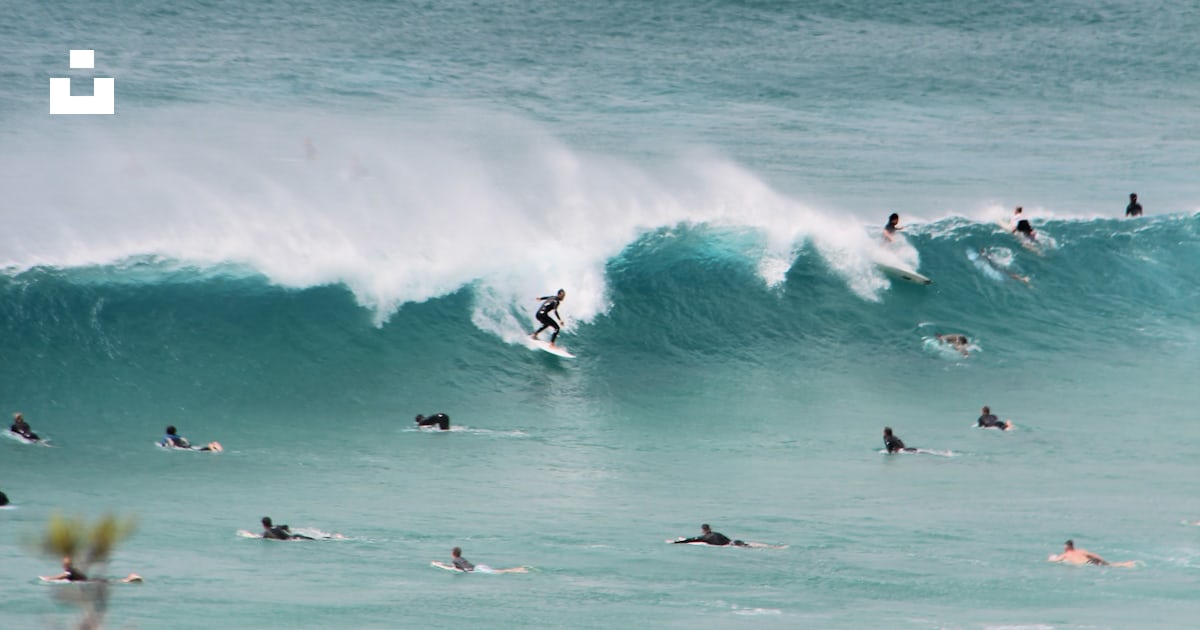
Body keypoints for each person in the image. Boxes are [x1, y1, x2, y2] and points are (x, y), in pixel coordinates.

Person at [40, 556, 142, 583]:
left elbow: (63, 575)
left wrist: (48, 578)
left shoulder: (70, 571)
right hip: (91, 581)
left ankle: (130, 578)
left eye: (63, 563)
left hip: (92, 582)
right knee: (115, 581)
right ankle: (129, 578)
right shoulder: (74, 570)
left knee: (117, 581)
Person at [1048, 540, 1136, 567]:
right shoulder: (1081, 550)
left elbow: (1055, 561)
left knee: (1110, 566)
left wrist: (1050, 558)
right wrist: (1104, 560)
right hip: (1092, 560)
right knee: (1110, 565)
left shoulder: (1066, 554)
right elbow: (1095, 555)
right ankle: (1127, 563)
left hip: (1087, 564)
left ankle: (1126, 564)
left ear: (1067, 547)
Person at [449, 546, 528, 573]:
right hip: (478, 567)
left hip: (477, 569)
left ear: (453, 554)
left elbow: (459, 568)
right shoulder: (462, 558)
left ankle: (518, 570)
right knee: (499, 570)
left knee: (500, 571)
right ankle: (518, 569)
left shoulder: (455, 560)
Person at [672, 523, 748, 547]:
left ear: (703, 530)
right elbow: (729, 540)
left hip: (724, 546)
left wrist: (676, 542)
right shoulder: (717, 533)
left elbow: (691, 540)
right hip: (734, 543)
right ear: (710, 528)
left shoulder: (704, 537)